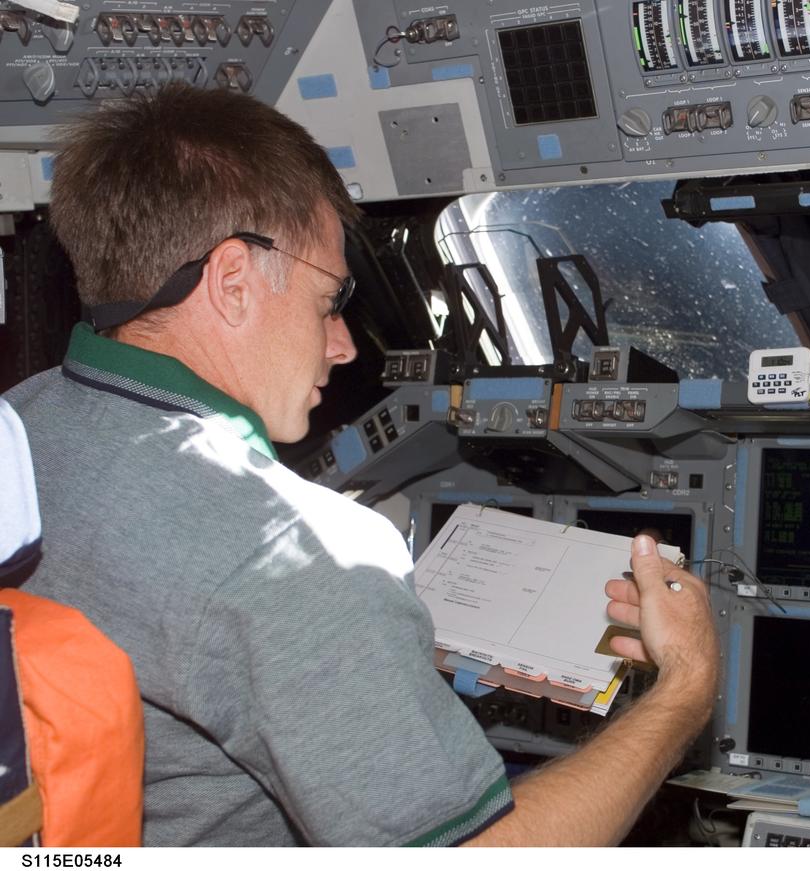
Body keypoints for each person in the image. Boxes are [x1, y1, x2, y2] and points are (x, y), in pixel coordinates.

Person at [3, 83, 718, 847]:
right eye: (330, 300)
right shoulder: (299, 558)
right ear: (234, 282)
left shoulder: (21, 426)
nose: (343, 345)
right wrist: (684, 689)